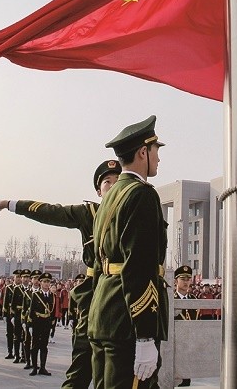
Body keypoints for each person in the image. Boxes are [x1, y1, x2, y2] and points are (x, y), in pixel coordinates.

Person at [0, 158, 123, 389]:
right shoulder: (88, 213)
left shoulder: (135, 214)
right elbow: (49, 212)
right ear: (98, 191)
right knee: (82, 362)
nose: (113, 185)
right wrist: (8, 204)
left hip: (123, 294)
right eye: (107, 182)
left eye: (118, 180)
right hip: (94, 293)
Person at [89, 115, 169, 389]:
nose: (159, 159)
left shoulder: (111, 194)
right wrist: (145, 335)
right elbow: (139, 266)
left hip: (104, 313)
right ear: (143, 152)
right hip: (128, 322)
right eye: (156, 151)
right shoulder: (141, 194)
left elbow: (101, 262)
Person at [173, 265, 198, 387]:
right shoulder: (171, 299)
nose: (186, 282)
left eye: (188, 279)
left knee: (187, 380)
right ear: (176, 281)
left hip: (189, 343)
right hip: (175, 343)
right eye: (182, 279)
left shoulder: (194, 299)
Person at [28, 272, 55, 376]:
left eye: (48, 282)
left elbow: (52, 312)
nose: (46, 284)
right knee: (35, 345)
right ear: (40, 282)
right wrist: (30, 325)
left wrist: (52, 325)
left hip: (46, 324)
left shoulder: (52, 296)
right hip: (37, 322)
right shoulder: (36, 295)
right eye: (44, 281)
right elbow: (31, 311)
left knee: (44, 346)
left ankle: (42, 368)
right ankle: (35, 368)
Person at [2, 270, 20, 360]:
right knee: (9, 333)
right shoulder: (9, 288)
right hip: (10, 313)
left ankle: (19, 354)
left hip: (19, 313)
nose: (18, 279)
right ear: (14, 278)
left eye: (20, 277)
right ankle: (10, 351)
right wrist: (4, 314)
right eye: (17, 277)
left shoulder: (22, 289)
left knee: (19, 334)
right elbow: (5, 301)